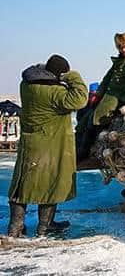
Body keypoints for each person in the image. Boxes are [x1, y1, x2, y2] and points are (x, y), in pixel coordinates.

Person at [8, 55, 87, 237]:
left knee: (22, 184)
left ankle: (16, 226)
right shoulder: (53, 93)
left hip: (31, 142)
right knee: (51, 182)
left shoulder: (27, 85)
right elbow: (79, 100)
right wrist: (72, 77)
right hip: (50, 144)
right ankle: (45, 226)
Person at [76, 32, 125, 162]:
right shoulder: (120, 61)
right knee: (83, 122)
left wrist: (124, 104)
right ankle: (77, 151)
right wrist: (98, 94)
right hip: (107, 99)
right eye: (120, 47)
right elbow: (107, 79)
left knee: (94, 123)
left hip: (118, 100)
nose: (123, 50)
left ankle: (83, 154)